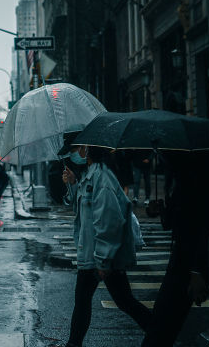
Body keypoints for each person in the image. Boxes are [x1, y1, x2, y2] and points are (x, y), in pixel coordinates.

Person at [57, 142, 152, 347]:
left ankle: (159, 333)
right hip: (93, 255)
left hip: (100, 257)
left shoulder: (103, 177)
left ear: (86, 150)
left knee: (121, 301)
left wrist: (103, 259)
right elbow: (82, 210)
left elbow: (109, 221)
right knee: (103, 301)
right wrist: (72, 183)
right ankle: (159, 332)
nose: (73, 154)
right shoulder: (89, 175)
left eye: (75, 149)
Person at [141, 151, 209, 347]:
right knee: (162, 322)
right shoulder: (179, 179)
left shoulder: (196, 180)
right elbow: (175, 221)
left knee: (164, 322)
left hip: (188, 262)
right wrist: (161, 210)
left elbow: (204, 225)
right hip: (180, 258)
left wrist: (197, 270)